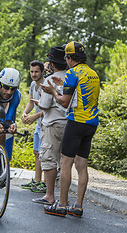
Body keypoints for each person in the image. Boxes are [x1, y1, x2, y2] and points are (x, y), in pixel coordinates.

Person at [41, 41, 100, 217]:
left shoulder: (73, 72)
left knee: (65, 162)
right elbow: (80, 93)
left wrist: (52, 91)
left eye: (66, 58)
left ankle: (62, 205)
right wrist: (61, 85)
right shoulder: (93, 73)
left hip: (76, 122)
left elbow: (64, 101)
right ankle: (78, 206)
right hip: (92, 123)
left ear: (69, 58)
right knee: (82, 165)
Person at [30, 46, 68, 205]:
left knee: (49, 159)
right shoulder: (72, 78)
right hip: (69, 124)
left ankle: (49, 195)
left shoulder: (50, 80)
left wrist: (40, 101)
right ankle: (64, 199)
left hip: (52, 124)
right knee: (65, 161)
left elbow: (45, 105)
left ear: (52, 63)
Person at [21, 60, 45, 193]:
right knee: (36, 152)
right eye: (32, 71)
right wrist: (25, 113)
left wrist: (34, 116)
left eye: (36, 71)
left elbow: (49, 108)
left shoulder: (46, 85)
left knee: (45, 154)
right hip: (38, 123)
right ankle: (36, 181)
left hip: (47, 123)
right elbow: (31, 102)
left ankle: (45, 184)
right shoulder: (32, 84)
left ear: (42, 72)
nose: (34, 74)